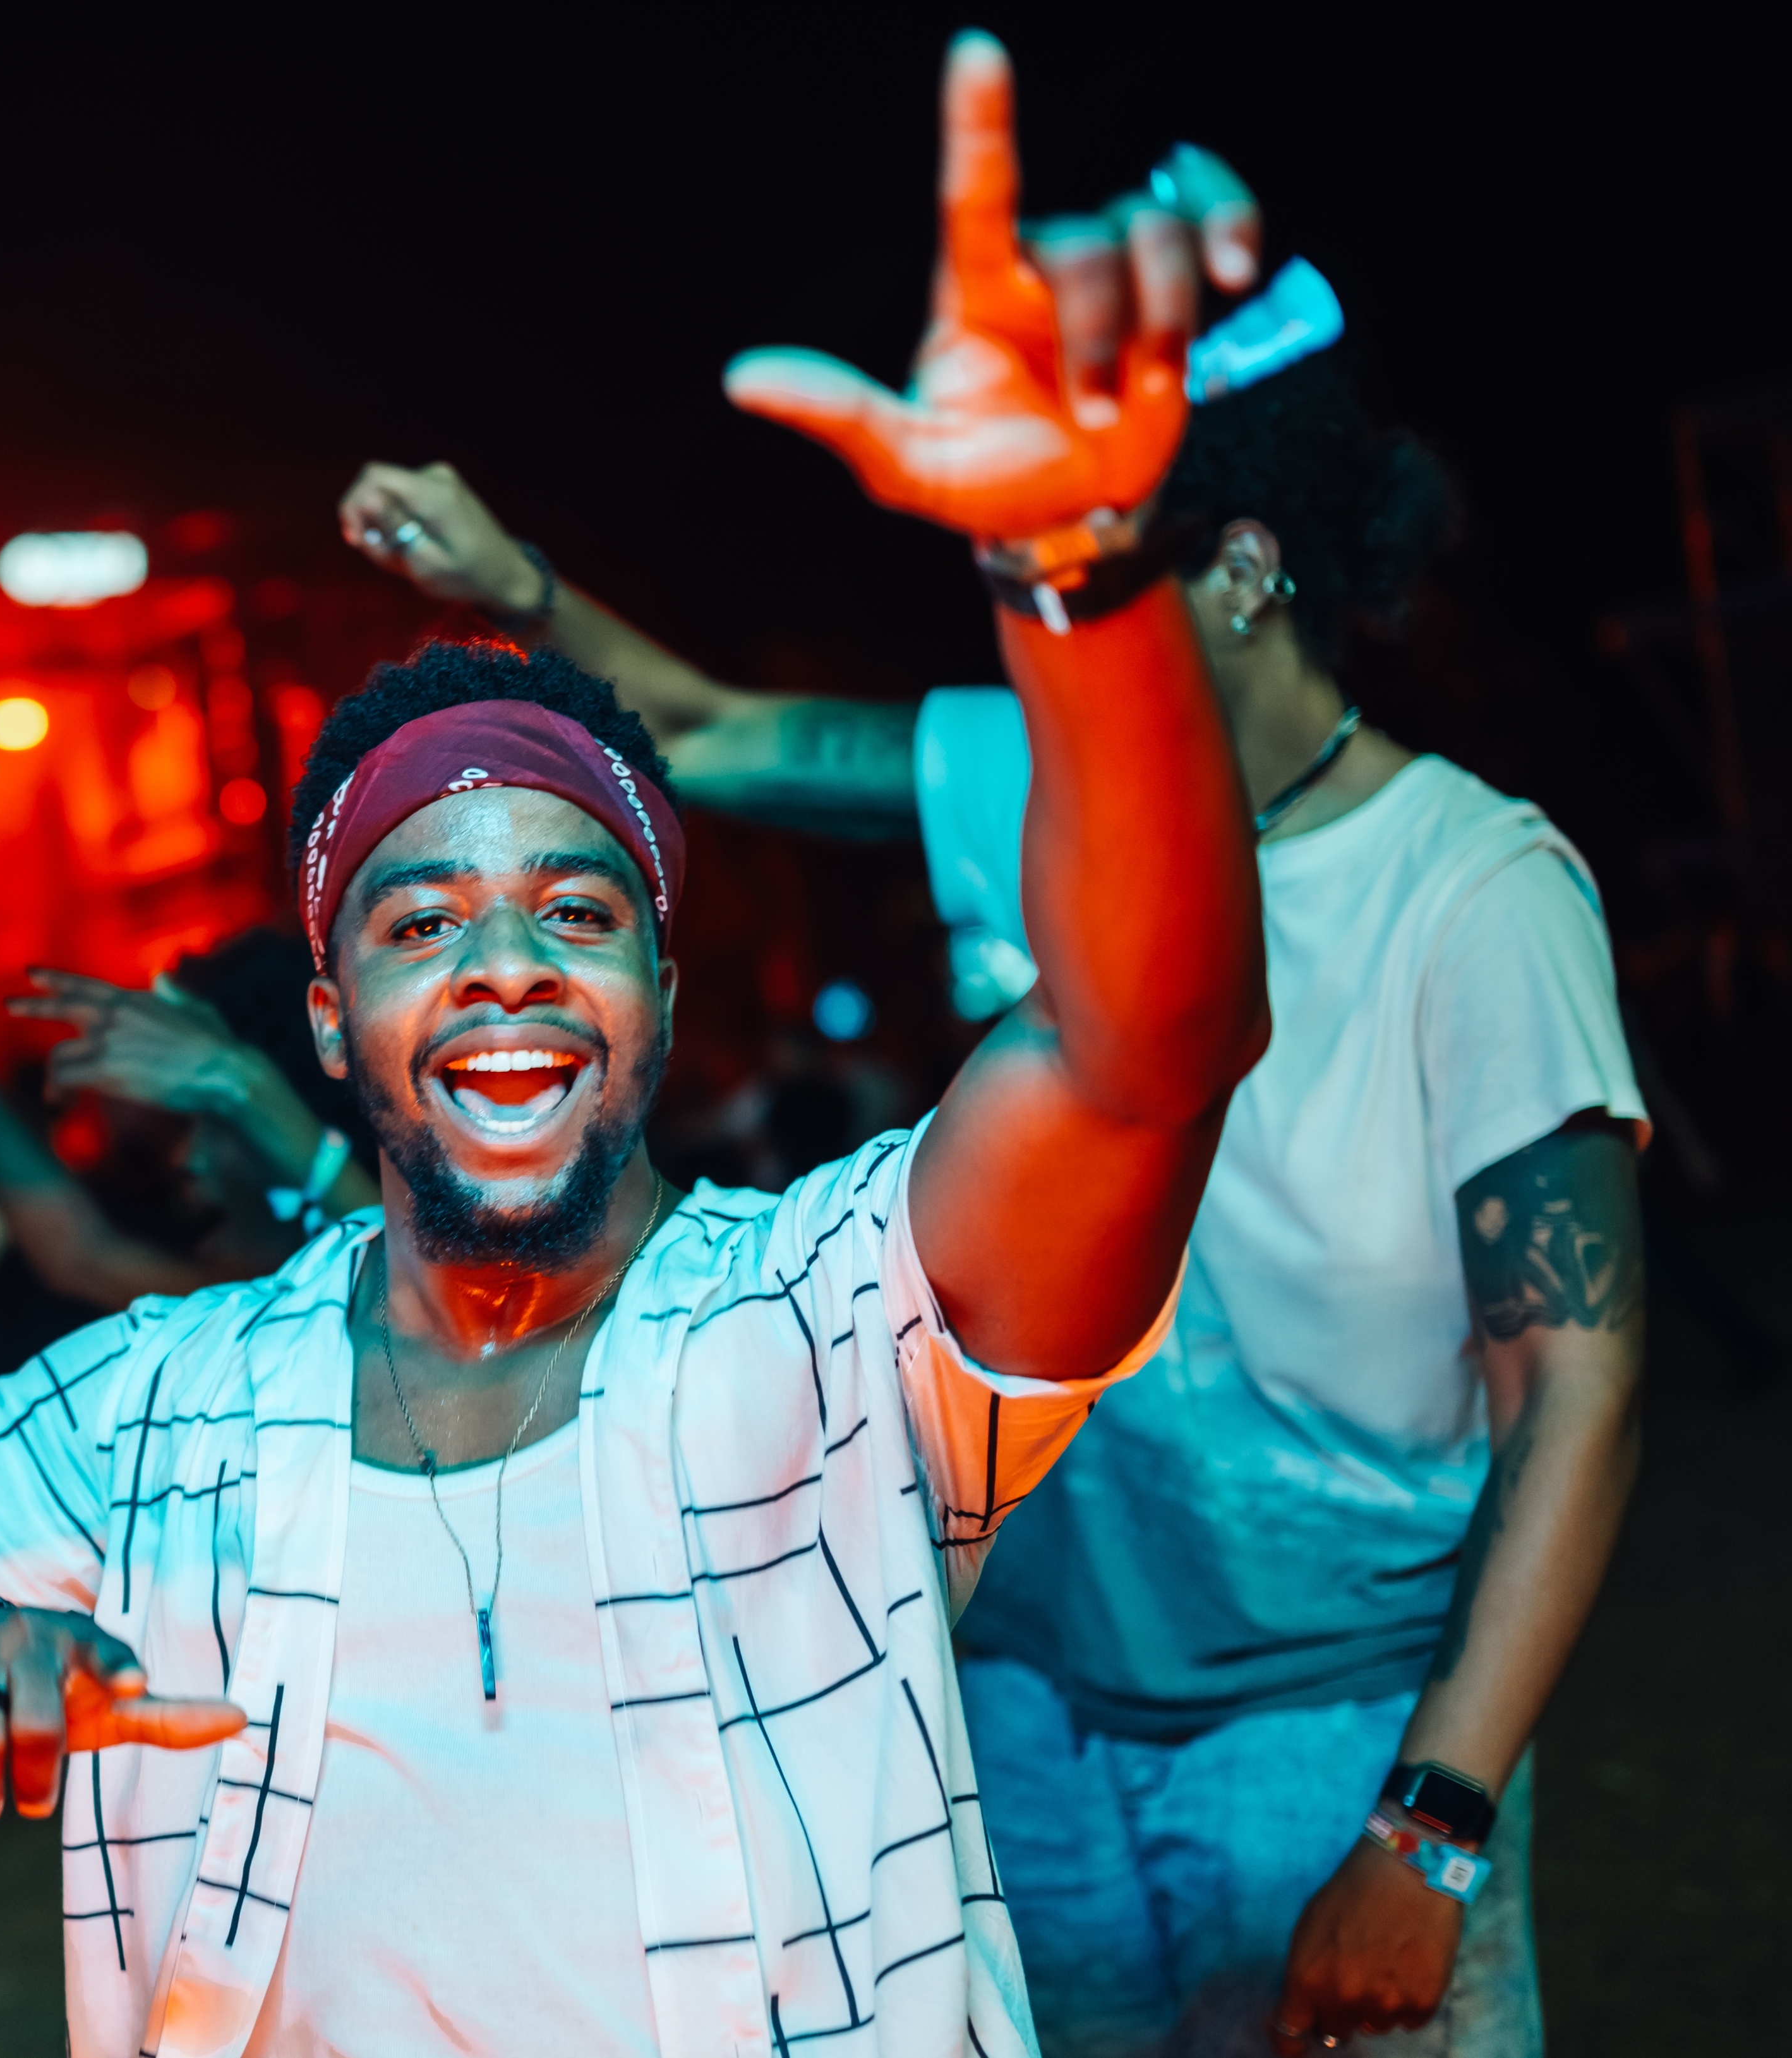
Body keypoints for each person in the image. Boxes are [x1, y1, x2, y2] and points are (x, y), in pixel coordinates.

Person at [0, 39, 1272, 2057]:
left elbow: (1147, 1047)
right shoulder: (163, 1408)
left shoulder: (837, 1325)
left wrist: (1082, 570)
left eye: (577, 913)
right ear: (333, 1022)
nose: (503, 965)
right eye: (421, 925)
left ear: (661, 991)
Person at [343, 258, 1641, 2056]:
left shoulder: (1475, 888)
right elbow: (705, 731)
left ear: (1241, 570)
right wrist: (517, 591)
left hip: (1339, 1729)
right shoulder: (1021, 771)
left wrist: (1430, 1826)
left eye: (1091, 556)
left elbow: (1578, 1394)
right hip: (1023, 1711)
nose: (1042, 613)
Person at [0, 883, 382, 1310]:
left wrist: (240, 1081)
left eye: (207, 1122)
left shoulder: (386, 1277)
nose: (186, 1158)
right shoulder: (259, 1295)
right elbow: (80, 1255)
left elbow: (392, 1277)